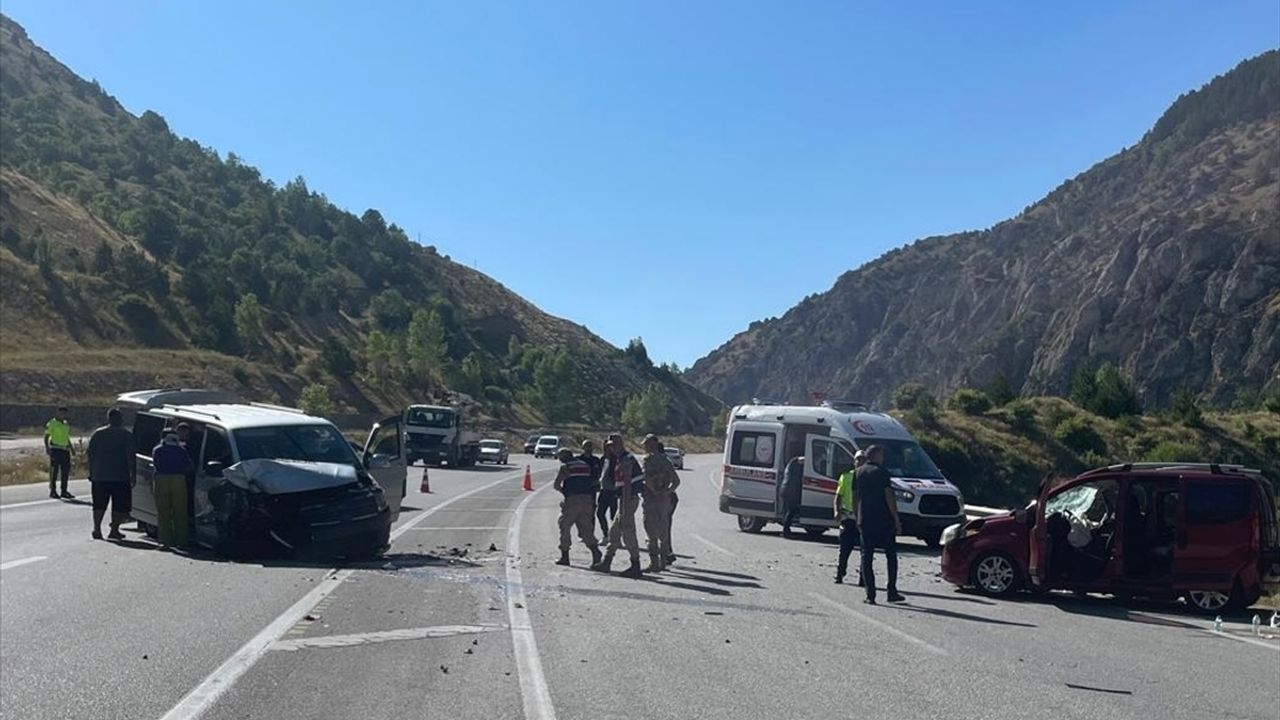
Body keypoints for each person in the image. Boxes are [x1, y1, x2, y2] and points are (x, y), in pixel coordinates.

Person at [856, 445, 904, 604]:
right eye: (882, 455)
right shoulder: (882, 473)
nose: (883, 458)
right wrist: (896, 519)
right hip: (883, 520)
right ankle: (891, 590)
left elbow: (855, 497)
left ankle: (870, 594)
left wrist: (857, 516)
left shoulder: (858, 472)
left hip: (865, 519)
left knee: (866, 556)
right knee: (891, 555)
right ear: (876, 455)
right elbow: (889, 496)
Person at [590, 434, 644, 578]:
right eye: (609, 446)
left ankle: (635, 565)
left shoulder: (625, 459)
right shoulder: (621, 458)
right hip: (625, 499)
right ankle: (606, 562)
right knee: (614, 532)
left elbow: (627, 484)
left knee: (628, 533)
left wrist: (624, 506)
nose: (610, 448)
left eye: (612, 445)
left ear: (619, 444)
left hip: (628, 499)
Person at [87, 408, 135, 541]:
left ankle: (97, 528)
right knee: (119, 504)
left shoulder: (98, 434)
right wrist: (133, 474)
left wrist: (91, 471)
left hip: (100, 475)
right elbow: (131, 456)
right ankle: (114, 530)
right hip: (120, 475)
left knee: (99, 503)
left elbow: (90, 454)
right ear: (120, 419)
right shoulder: (126, 434)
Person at [554, 447, 602, 567]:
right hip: (587, 500)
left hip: (572, 500)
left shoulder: (566, 467)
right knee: (586, 529)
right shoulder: (585, 465)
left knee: (564, 526)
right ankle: (595, 552)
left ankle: (565, 556)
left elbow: (556, 485)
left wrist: (565, 492)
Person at [640, 434, 680, 573]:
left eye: (646, 444)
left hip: (651, 499)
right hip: (664, 500)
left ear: (651, 445)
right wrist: (667, 492)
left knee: (651, 533)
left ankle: (654, 563)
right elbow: (676, 481)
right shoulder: (666, 460)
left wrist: (654, 491)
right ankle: (663, 562)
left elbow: (646, 479)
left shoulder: (648, 460)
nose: (644, 447)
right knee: (663, 532)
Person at [152, 429, 193, 548]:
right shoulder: (182, 450)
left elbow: (155, 463)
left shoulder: (158, 449)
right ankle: (181, 542)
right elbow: (189, 466)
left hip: (161, 479)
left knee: (163, 513)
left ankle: (165, 542)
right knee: (180, 512)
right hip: (179, 479)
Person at [833, 450, 866, 586]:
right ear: (854, 461)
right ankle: (840, 573)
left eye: (863, 460)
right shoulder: (846, 477)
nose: (860, 462)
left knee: (864, 550)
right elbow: (838, 496)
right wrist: (836, 511)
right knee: (844, 548)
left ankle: (863, 578)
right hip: (848, 517)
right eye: (858, 459)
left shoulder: (868, 477)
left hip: (863, 518)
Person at [44, 406, 75, 499]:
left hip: (65, 450)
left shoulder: (65, 424)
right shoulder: (52, 423)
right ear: (57, 413)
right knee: (54, 471)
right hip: (56, 449)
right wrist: (47, 448)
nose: (63, 415)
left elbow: (66, 437)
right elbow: (46, 436)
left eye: (64, 413)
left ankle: (64, 491)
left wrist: (71, 448)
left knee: (65, 471)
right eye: (61, 413)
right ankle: (53, 491)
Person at [595, 441, 619, 540]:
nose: (607, 449)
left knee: (613, 515)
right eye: (605, 447)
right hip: (604, 490)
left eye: (609, 447)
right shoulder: (603, 459)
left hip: (613, 490)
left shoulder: (616, 459)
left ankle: (615, 537)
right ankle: (606, 534)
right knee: (600, 513)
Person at [779, 456, 804, 537]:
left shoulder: (790, 465)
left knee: (789, 511)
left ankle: (786, 529)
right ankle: (785, 530)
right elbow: (796, 481)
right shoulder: (794, 464)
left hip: (786, 490)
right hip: (789, 491)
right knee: (791, 511)